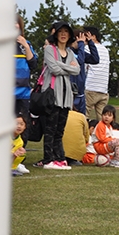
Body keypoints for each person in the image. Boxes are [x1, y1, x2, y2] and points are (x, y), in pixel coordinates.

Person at [33, 21, 80, 170]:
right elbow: (53, 69)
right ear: (56, 34)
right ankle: (48, 159)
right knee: (50, 129)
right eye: (61, 32)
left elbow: (77, 70)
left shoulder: (71, 52)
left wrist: (61, 66)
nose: (64, 34)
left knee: (60, 130)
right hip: (52, 94)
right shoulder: (49, 50)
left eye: (66, 32)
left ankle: (59, 158)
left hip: (66, 96)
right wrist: (67, 68)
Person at [69, 28, 99, 115]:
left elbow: (95, 59)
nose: (84, 45)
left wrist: (90, 43)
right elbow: (80, 61)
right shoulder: (69, 52)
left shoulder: (80, 51)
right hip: (72, 93)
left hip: (81, 93)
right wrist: (81, 44)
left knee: (82, 118)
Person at [14, 14, 38, 122]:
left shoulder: (26, 44)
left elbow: (33, 65)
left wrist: (26, 46)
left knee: (22, 125)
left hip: (23, 93)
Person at [83, 26, 109, 120]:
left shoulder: (87, 48)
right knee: (103, 119)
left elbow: (84, 68)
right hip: (103, 89)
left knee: (84, 115)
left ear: (93, 36)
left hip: (91, 87)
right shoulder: (105, 50)